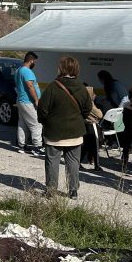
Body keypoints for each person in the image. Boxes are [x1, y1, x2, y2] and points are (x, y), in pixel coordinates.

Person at [36, 55, 92, 200]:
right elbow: (88, 108)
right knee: (73, 162)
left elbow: (42, 109)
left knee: (52, 162)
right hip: (75, 132)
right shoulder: (81, 86)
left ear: (61, 68)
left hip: (54, 132)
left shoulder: (53, 87)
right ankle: (73, 191)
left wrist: (45, 121)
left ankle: (51, 191)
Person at [15, 52, 44, 156]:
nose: (35, 64)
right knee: (36, 124)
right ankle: (37, 148)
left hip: (21, 101)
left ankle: (22, 146)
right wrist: (36, 99)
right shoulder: (27, 71)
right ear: (31, 61)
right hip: (28, 102)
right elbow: (30, 86)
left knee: (22, 125)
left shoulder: (18, 70)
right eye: (35, 62)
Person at [81, 84, 104, 171]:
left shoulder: (82, 102)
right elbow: (100, 114)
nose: (95, 95)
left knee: (86, 145)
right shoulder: (90, 104)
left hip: (85, 125)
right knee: (95, 146)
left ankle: (79, 162)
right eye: (93, 93)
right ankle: (97, 165)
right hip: (92, 125)